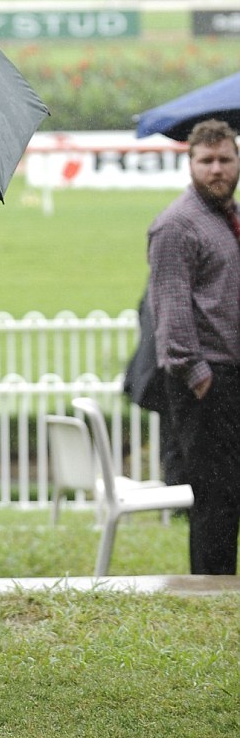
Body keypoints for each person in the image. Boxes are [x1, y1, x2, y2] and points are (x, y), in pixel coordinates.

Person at [148, 118, 240, 573]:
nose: (217, 170)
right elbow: (171, 314)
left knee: (232, 495)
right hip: (206, 383)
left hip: (231, 376)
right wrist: (203, 382)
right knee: (216, 499)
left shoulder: (227, 219)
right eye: (206, 161)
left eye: (225, 159)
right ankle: (212, 592)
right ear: (190, 165)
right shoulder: (176, 226)